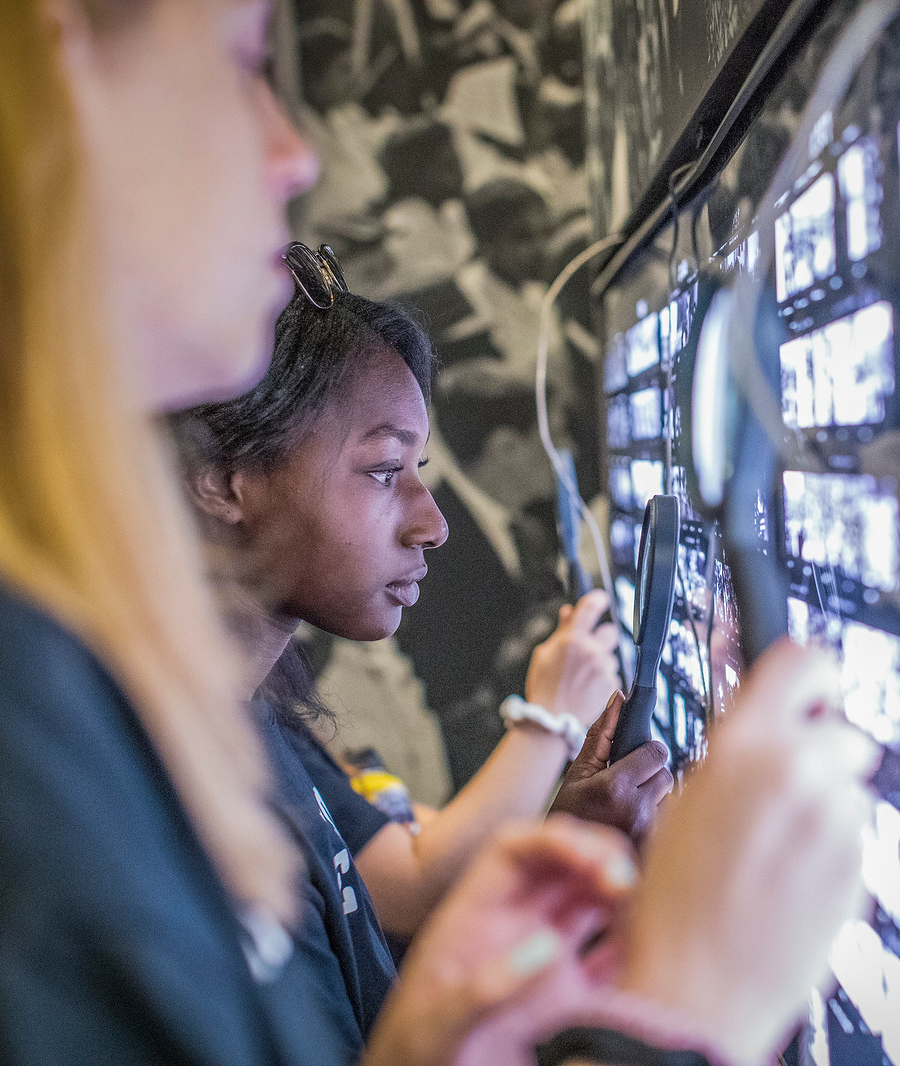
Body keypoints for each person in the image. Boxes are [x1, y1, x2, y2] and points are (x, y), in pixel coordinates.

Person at [0, 2, 875, 1064]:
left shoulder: (91, 681)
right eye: (240, 63)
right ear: (60, 68)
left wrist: (429, 1033)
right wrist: (684, 1004)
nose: (294, 156)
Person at [172, 250, 673, 1053]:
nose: (431, 523)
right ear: (225, 478)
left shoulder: (255, 719)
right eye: (380, 471)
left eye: (419, 469)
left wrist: (561, 856)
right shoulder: (175, 792)